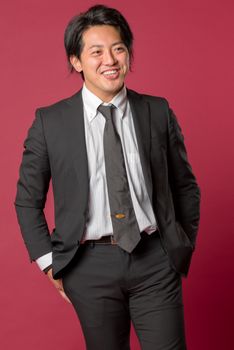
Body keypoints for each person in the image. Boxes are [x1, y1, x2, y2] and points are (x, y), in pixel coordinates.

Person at [14, 4, 200, 350]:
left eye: (118, 48)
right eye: (96, 52)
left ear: (128, 53)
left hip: (155, 260)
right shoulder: (50, 122)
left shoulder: (156, 111)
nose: (110, 60)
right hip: (88, 265)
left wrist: (181, 243)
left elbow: (185, 185)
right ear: (76, 61)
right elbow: (27, 200)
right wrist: (49, 263)